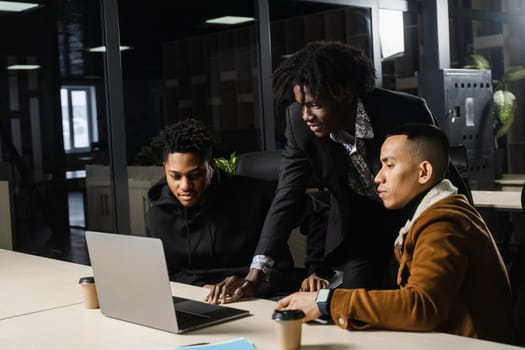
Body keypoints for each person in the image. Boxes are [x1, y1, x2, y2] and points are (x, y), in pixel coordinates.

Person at [205, 40, 469, 303]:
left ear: (344, 92)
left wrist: (467, 233)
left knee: (423, 303)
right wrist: (256, 275)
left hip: (417, 221)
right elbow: (286, 197)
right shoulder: (299, 124)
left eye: (314, 104)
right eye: (301, 104)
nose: (306, 114)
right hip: (361, 230)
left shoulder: (404, 111)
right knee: (350, 308)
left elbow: (443, 178)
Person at [275, 123, 514, 344]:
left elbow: (421, 308)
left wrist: (325, 301)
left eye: (389, 165)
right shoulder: (432, 214)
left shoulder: (443, 224)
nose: (377, 177)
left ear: (423, 172)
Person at [145, 118, 297, 298]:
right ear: (165, 169)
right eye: (175, 176)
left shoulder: (254, 195)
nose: (185, 186)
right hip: (198, 299)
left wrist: (315, 271)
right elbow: (167, 273)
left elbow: (316, 215)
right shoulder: (158, 217)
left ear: (211, 166)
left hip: (258, 296)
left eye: (194, 175)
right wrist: (203, 287)